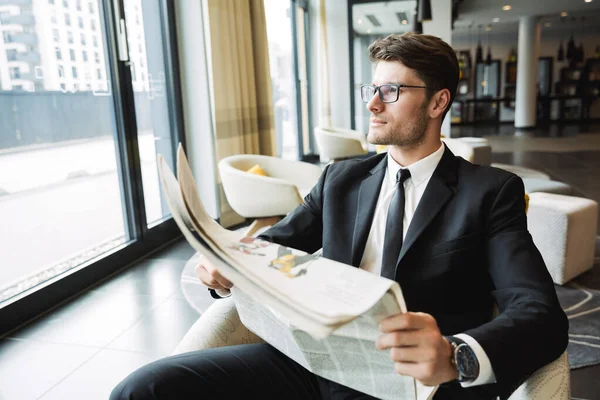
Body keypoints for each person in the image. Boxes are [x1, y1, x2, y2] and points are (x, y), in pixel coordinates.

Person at [110, 32, 568, 400]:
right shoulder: (341, 180)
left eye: (391, 91)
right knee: (141, 388)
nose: (372, 104)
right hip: (316, 363)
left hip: (411, 383)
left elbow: (539, 312)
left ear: (436, 103)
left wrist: (455, 356)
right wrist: (227, 263)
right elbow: (273, 246)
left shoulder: (490, 192)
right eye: (372, 89)